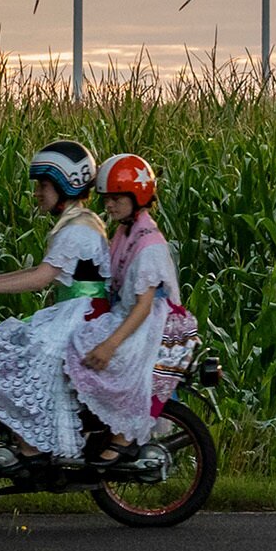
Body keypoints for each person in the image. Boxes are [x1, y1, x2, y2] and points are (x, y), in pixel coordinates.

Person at [0, 138, 110, 464]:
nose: (37, 193)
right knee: (10, 353)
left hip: (81, 315)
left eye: (43, 185)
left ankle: (34, 448)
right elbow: (43, 270)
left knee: (4, 358)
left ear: (66, 184)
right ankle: (28, 442)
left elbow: (41, 278)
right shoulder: (76, 223)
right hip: (75, 311)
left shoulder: (78, 229)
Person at [67, 152, 195, 467]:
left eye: (116, 198)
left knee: (98, 356)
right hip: (129, 316)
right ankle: (93, 429)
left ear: (136, 196)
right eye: (106, 198)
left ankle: (123, 438)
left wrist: (111, 345)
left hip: (148, 325)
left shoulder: (148, 243)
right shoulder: (126, 231)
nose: (108, 205)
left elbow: (143, 305)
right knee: (72, 343)